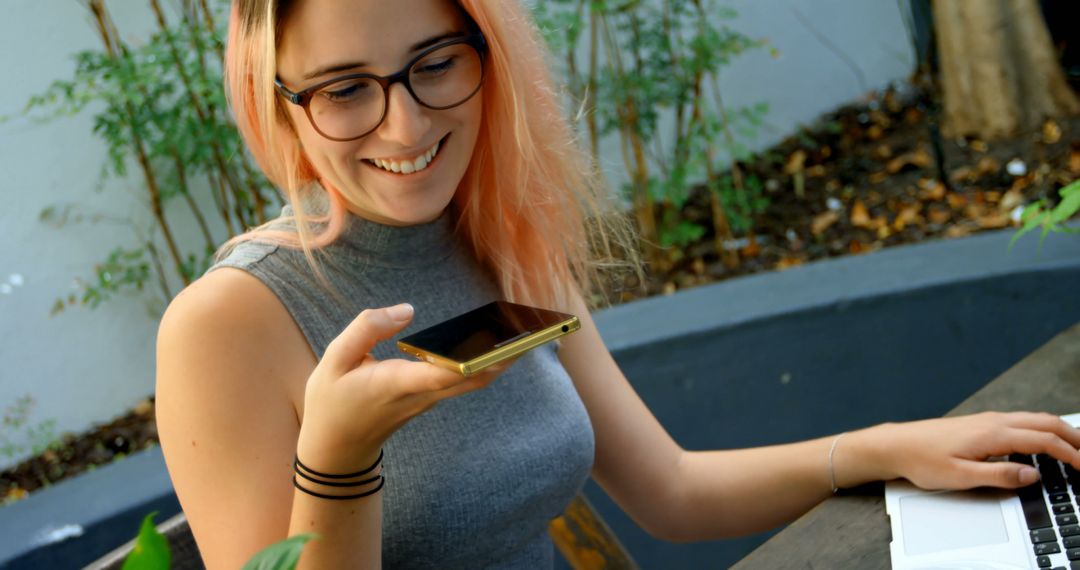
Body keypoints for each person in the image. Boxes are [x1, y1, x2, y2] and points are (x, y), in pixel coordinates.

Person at [154, 0, 1080, 568]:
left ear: (489, 54)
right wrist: (338, 459)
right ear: (274, 101)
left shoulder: (499, 235)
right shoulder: (227, 325)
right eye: (344, 88)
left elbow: (671, 493)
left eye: (436, 63)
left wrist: (887, 448)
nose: (404, 126)